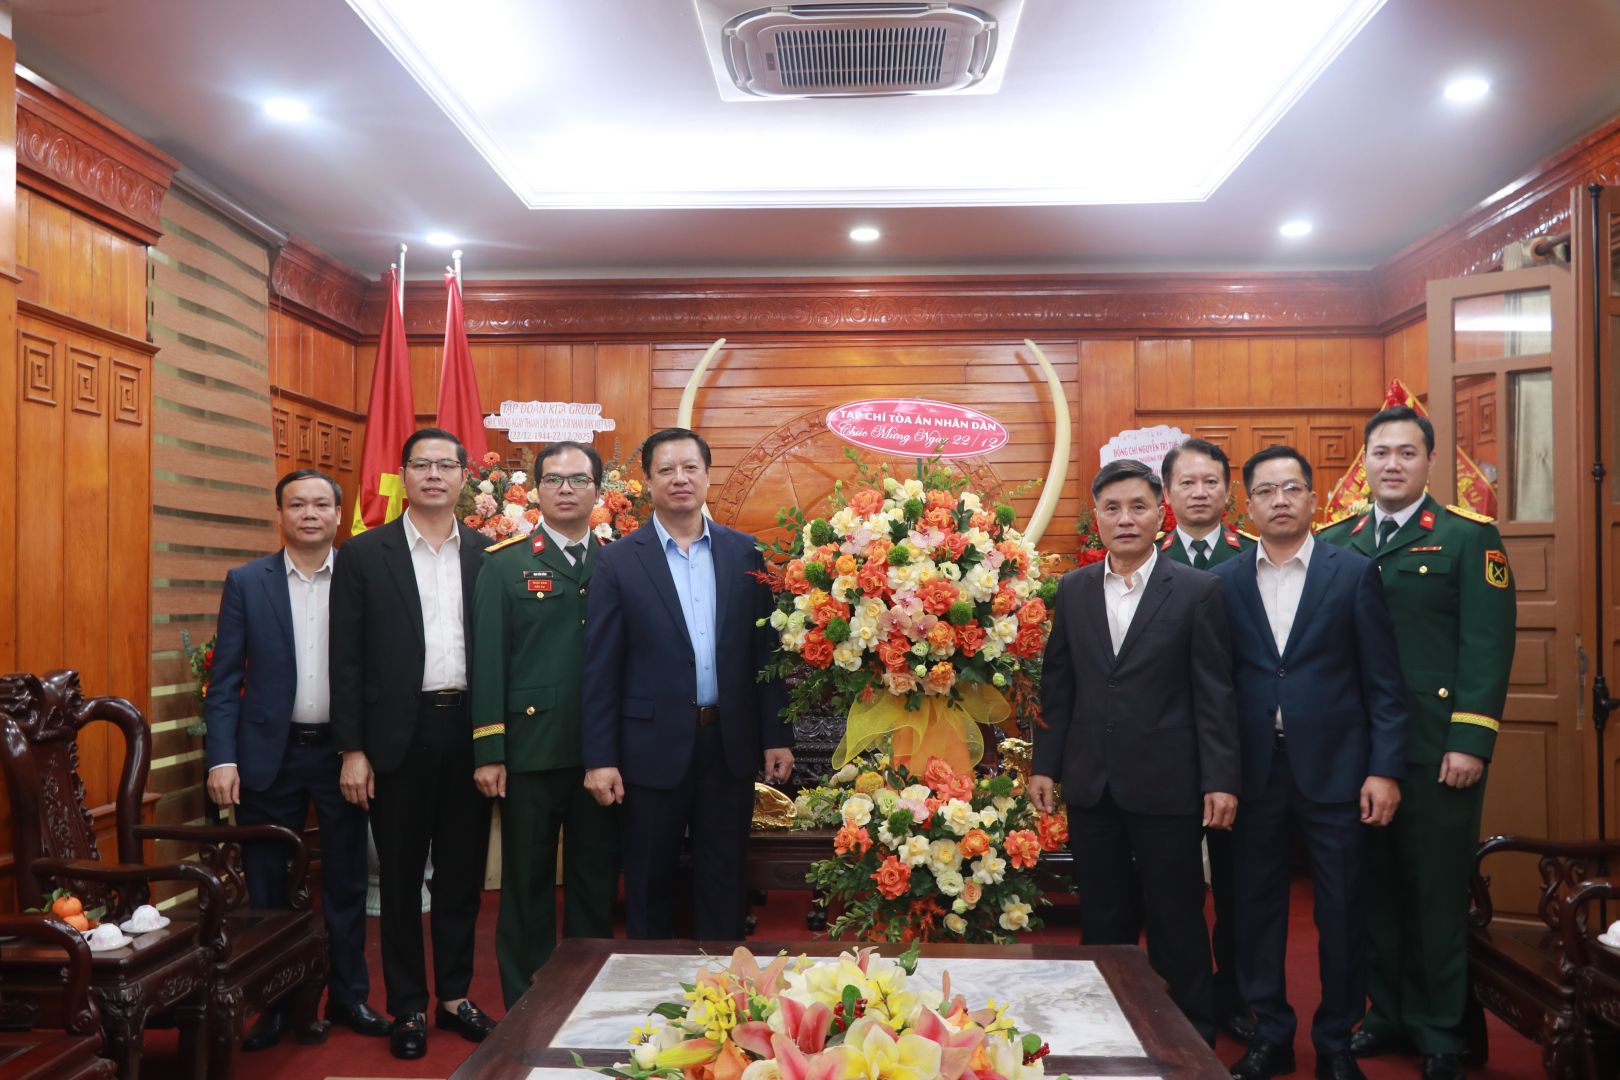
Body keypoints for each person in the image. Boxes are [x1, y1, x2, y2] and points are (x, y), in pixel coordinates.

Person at [1319, 407, 1515, 1080]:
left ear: (1430, 461)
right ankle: (1387, 1015)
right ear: (1365, 464)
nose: (1393, 464)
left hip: (1437, 749)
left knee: (1434, 892)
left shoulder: (1467, 537)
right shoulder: (1338, 539)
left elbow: (1486, 646)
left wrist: (1471, 740)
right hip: (1358, 751)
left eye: (1407, 452)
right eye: (1381, 453)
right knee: (1373, 888)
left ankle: (1439, 1030)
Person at [1211, 446, 1408, 1080]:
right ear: (1247, 506)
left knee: (1342, 911)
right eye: (1266, 491)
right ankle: (1269, 1035)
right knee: (1256, 910)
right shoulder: (1225, 582)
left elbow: (1384, 683)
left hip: (1340, 771)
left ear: (1313, 499)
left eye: (1292, 489)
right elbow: (1216, 687)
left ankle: (1335, 1043)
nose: (1280, 501)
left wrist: (1384, 769)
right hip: (1254, 772)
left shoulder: (1353, 574)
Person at [1030, 457, 1240, 1047]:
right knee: (1103, 916)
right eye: (1113, 508)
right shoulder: (1073, 589)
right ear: (1096, 518)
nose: (1125, 519)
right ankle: (1107, 1033)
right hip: (1092, 784)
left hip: (1168, 784)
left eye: (1138, 507)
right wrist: (1045, 765)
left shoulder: (1198, 590)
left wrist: (1221, 779)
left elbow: (1215, 693)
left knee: (1176, 917)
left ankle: (1190, 1037)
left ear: (1159, 514)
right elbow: (1059, 685)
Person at [580, 427, 792, 939]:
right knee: (650, 881)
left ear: (707, 476)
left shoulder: (744, 553)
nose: (680, 479)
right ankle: (648, 983)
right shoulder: (618, 560)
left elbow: (765, 652)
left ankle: (726, 981)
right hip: (649, 747)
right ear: (648, 481)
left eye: (690, 468)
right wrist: (600, 758)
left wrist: (776, 735)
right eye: (667, 470)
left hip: (729, 743)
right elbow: (601, 667)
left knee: (724, 878)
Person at [204, 469, 389, 1048]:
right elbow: (224, 679)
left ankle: (348, 997)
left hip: (342, 754)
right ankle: (276, 1004)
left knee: (346, 882)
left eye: (321, 504)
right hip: (269, 754)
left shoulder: (363, 578)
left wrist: (366, 750)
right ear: (279, 514)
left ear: (338, 515)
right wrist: (221, 759)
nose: (310, 514)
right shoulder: (246, 582)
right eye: (297, 504)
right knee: (266, 886)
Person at [330, 428, 496, 1060]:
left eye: (445, 465)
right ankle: (407, 1005)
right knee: (399, 880)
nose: (433, 475)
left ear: (463, 477)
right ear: (402, 474)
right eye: (421, 464)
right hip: (395, 737)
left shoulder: (487, 552)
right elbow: (345, 659)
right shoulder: (364, 554)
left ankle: (454, 996)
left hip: (470, 731)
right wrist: (352, 749)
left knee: (460, 877)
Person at [471, 440, 619, 1008]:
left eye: (578, 479)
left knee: (594, 881)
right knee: (527, 883)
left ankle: (588, 996)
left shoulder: (618, 561)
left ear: (597, 491)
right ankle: (526, 1003)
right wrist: (490, 749)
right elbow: (488, 659)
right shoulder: (505, 563)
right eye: (554, 479)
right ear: (536, 490)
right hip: (529, 752)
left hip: (600, 752)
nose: (566, 489)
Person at [1159, 437, 1258, 1044]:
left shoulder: (1253, 558)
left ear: (1228, 491)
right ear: (1167, 493)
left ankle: (1237, 994)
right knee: (1170, 886)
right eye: (1187, 483)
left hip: (1233, 746)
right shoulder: (1146, 557)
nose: (1199, 493)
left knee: (1238, 882)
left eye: (1211, 482)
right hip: (1165, 751)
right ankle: (1171, 993)